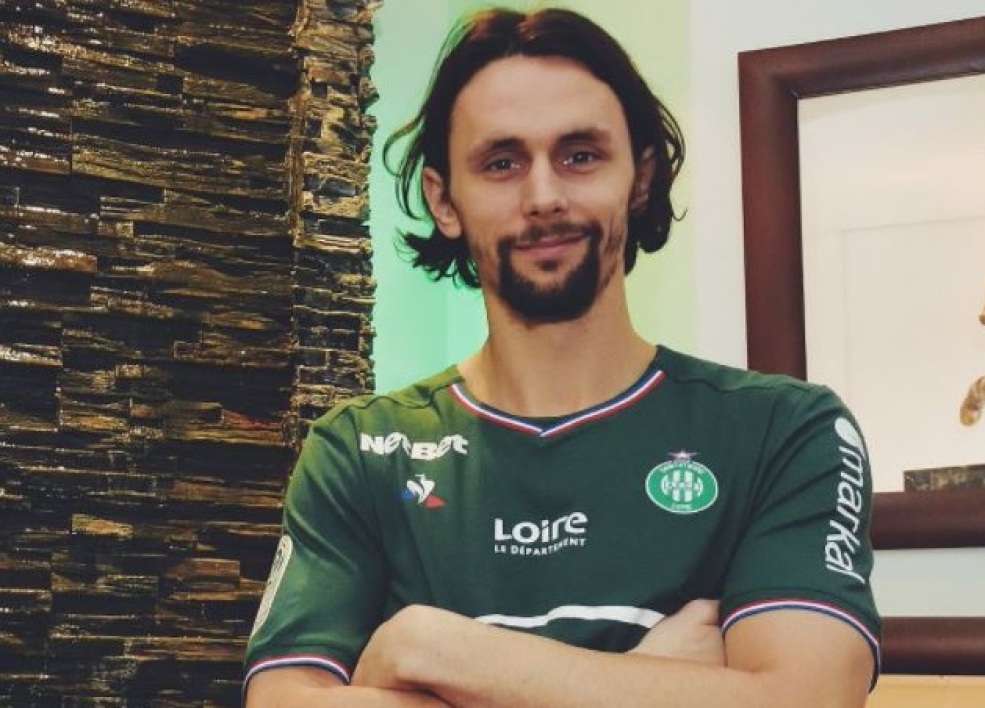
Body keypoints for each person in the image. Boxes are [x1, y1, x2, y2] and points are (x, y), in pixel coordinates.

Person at [243, 7, 881, 706]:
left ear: (639, 178)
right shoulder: (359, 451)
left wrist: (428, 649)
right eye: (501, 163)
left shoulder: (784, 431)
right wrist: (653, 677)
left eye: (579, 155)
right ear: (444, 200)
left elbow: (805, 698)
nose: (543, 196)